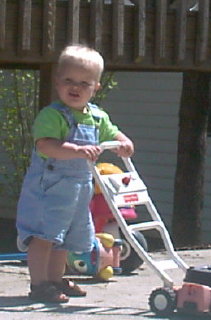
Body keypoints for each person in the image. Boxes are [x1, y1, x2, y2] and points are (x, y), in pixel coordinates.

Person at [16, 44, 134, 303]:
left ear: (95, 88)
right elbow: (46, 145)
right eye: (69, 80)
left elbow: (113, 133)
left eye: (84, 83)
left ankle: (56, 280)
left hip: (78, 191)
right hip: (50, 188)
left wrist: (123, 143)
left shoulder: (96, 117)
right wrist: (78, 150)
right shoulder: (53, 115)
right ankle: (39, 284)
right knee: (44, 236)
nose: (75, 87)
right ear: (58, 82)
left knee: (65, 239)